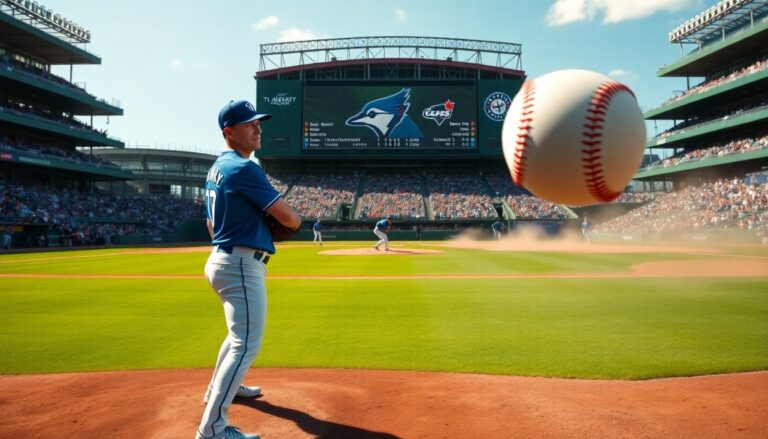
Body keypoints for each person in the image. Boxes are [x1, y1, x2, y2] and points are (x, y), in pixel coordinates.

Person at [197, 100, 301, 439]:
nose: (258, 128)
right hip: (240, 263)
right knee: (246, 343)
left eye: (258, 122)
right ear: (229, 133)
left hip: (222, 257)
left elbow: (211, 225)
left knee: (235, 337)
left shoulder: (217, 167)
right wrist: (283, 219)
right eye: (249, 124)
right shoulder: (244, 168)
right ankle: (213, 430)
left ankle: (225, 387)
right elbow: (291, 219)